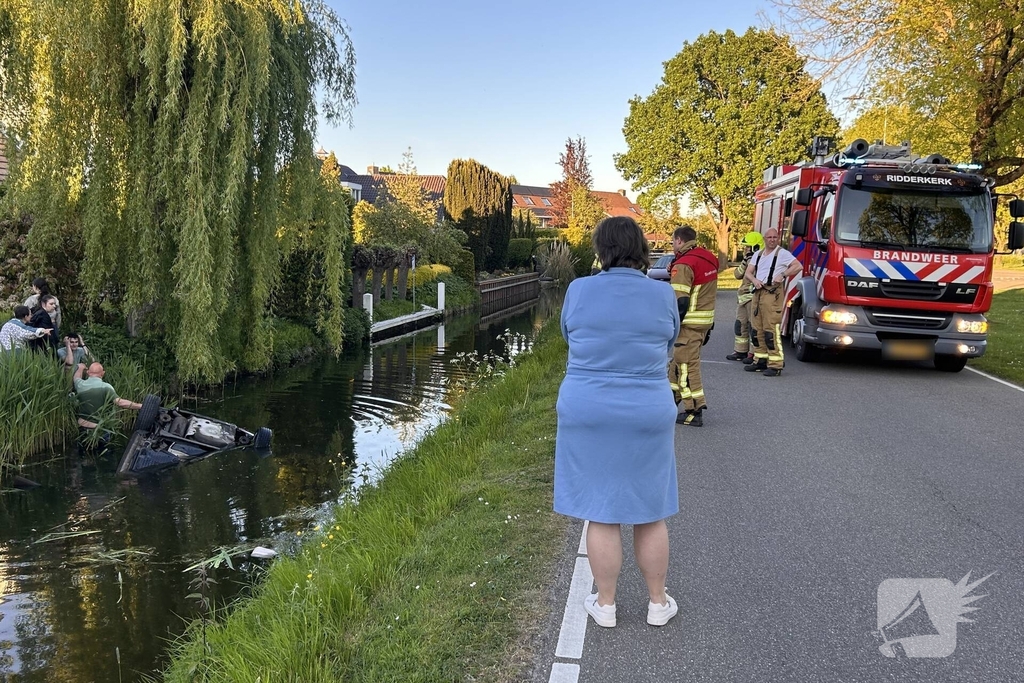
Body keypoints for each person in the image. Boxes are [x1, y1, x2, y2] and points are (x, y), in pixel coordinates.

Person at [554, 216, 681, 629]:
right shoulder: (662, 294)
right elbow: (670, 340)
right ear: (642, 249)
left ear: (601, 250)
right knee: (650, 510)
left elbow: (569, 337)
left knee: (601, 508)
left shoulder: (578, 289)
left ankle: (605, 604)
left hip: (587, 407)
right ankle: (657, 603)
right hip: (647, 408)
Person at [668, 225, 719, 427]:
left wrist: (671, 328)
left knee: (686, 368)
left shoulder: (683, 265)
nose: (672, 245)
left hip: (688, 324)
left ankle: (694, 410)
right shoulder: (708, 258)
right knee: (676, 367)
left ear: (680, 241)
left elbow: (680, 303)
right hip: (704, 322)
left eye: (673, 241)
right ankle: (671, 402)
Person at [744, 228, 802, 376]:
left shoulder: (782, 254)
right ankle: (760, 360)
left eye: (775, 237)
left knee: (771, 330)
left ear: (778, 239)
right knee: (757, 329)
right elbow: (748, 272)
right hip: (758, 293)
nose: (772, 240)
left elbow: (798, 266)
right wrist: (755, 280)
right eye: (769, 237)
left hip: (772, 294)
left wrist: (783, 274)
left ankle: (776, 365)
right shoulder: (758, 254)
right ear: (764, 238)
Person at [726, 231, 764, 362]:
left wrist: (752, 262)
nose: (745, 249)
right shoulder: (747, 260)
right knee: (740, 325)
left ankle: (753, 354)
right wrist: (745, 262)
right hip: (743, 298)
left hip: (753, 297)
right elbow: (737, 275)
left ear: (756, 247)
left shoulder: (762, 260)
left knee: (754, 327)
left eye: (748, 247)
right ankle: (740, 351)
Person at [73, 362, 142, 429]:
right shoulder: (106, 387)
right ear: (103, 373)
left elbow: (76, 377)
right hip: (99, 428)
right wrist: (140, 406)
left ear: (88, 372)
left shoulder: (80, 385)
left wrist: (80, 368)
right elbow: (120, 403)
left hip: (82, 425)